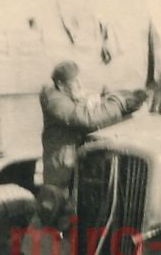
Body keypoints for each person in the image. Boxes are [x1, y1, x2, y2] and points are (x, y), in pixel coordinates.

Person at [37, 61, 148, 224]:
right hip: (60, 174)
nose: (80, 85)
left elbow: (95, 114)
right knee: (59, 223)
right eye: (74, 82)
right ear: (60, 84)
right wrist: (119, 103)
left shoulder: (68, 96)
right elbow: (85, 118)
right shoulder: (54, 100)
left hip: (74, 169)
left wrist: (112, 101)